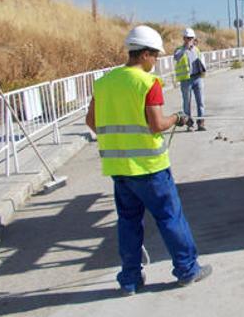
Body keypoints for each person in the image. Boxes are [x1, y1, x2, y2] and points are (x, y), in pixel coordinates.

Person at [85, 25, 212, 295]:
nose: (155, 61)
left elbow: (91, 122)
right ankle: (187, 269)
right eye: (154, 56)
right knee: (170, 218)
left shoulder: (104, 82)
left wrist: (119, 140)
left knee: (128, 223)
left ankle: (130, 280)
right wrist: (177, 118)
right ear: (143, 54)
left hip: (119, 170)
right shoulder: (147, 83)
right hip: (150, 169)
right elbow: (156, 124)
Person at [174, 27, 207, 131]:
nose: (189, 40)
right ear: (184, 38)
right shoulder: (179, 50)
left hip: (197, 78)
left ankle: (201, 123)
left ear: (193, 38)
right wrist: (185, 48)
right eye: (187, 38)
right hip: (186, 80)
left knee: (200, 102)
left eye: (191, 38)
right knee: (187, 103)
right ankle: (189, 124)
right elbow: (176, 57)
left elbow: (201, 61)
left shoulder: (196, 49)